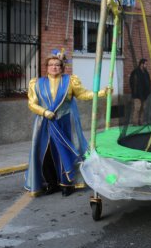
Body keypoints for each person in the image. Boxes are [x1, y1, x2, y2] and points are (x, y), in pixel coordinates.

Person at [25, 50, 110, 196]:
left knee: (65, 152)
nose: (54, 67)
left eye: (57, 65)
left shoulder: (70, 81)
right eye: (51, 65)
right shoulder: (36, 83)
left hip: (65, 123)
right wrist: (45, 112)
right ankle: (51, 184)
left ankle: (67, 184)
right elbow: (31, 104)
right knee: (47, 155)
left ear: (62, 67)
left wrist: (101, 93)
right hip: (45, 124)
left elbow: (83, 94)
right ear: (46, 67)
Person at [129, 59, 151, 125]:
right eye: (145, 64)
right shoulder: (135, 72)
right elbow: (132, 83)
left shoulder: (145, 72)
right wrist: (135, 91)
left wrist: (148, 90)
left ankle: (140, 122)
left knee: (143, 108)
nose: (146, 65)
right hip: (137, 94)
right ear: (141, 64)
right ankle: (135, 122)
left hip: (144, 94)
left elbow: (148, 81)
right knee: (137, 108)